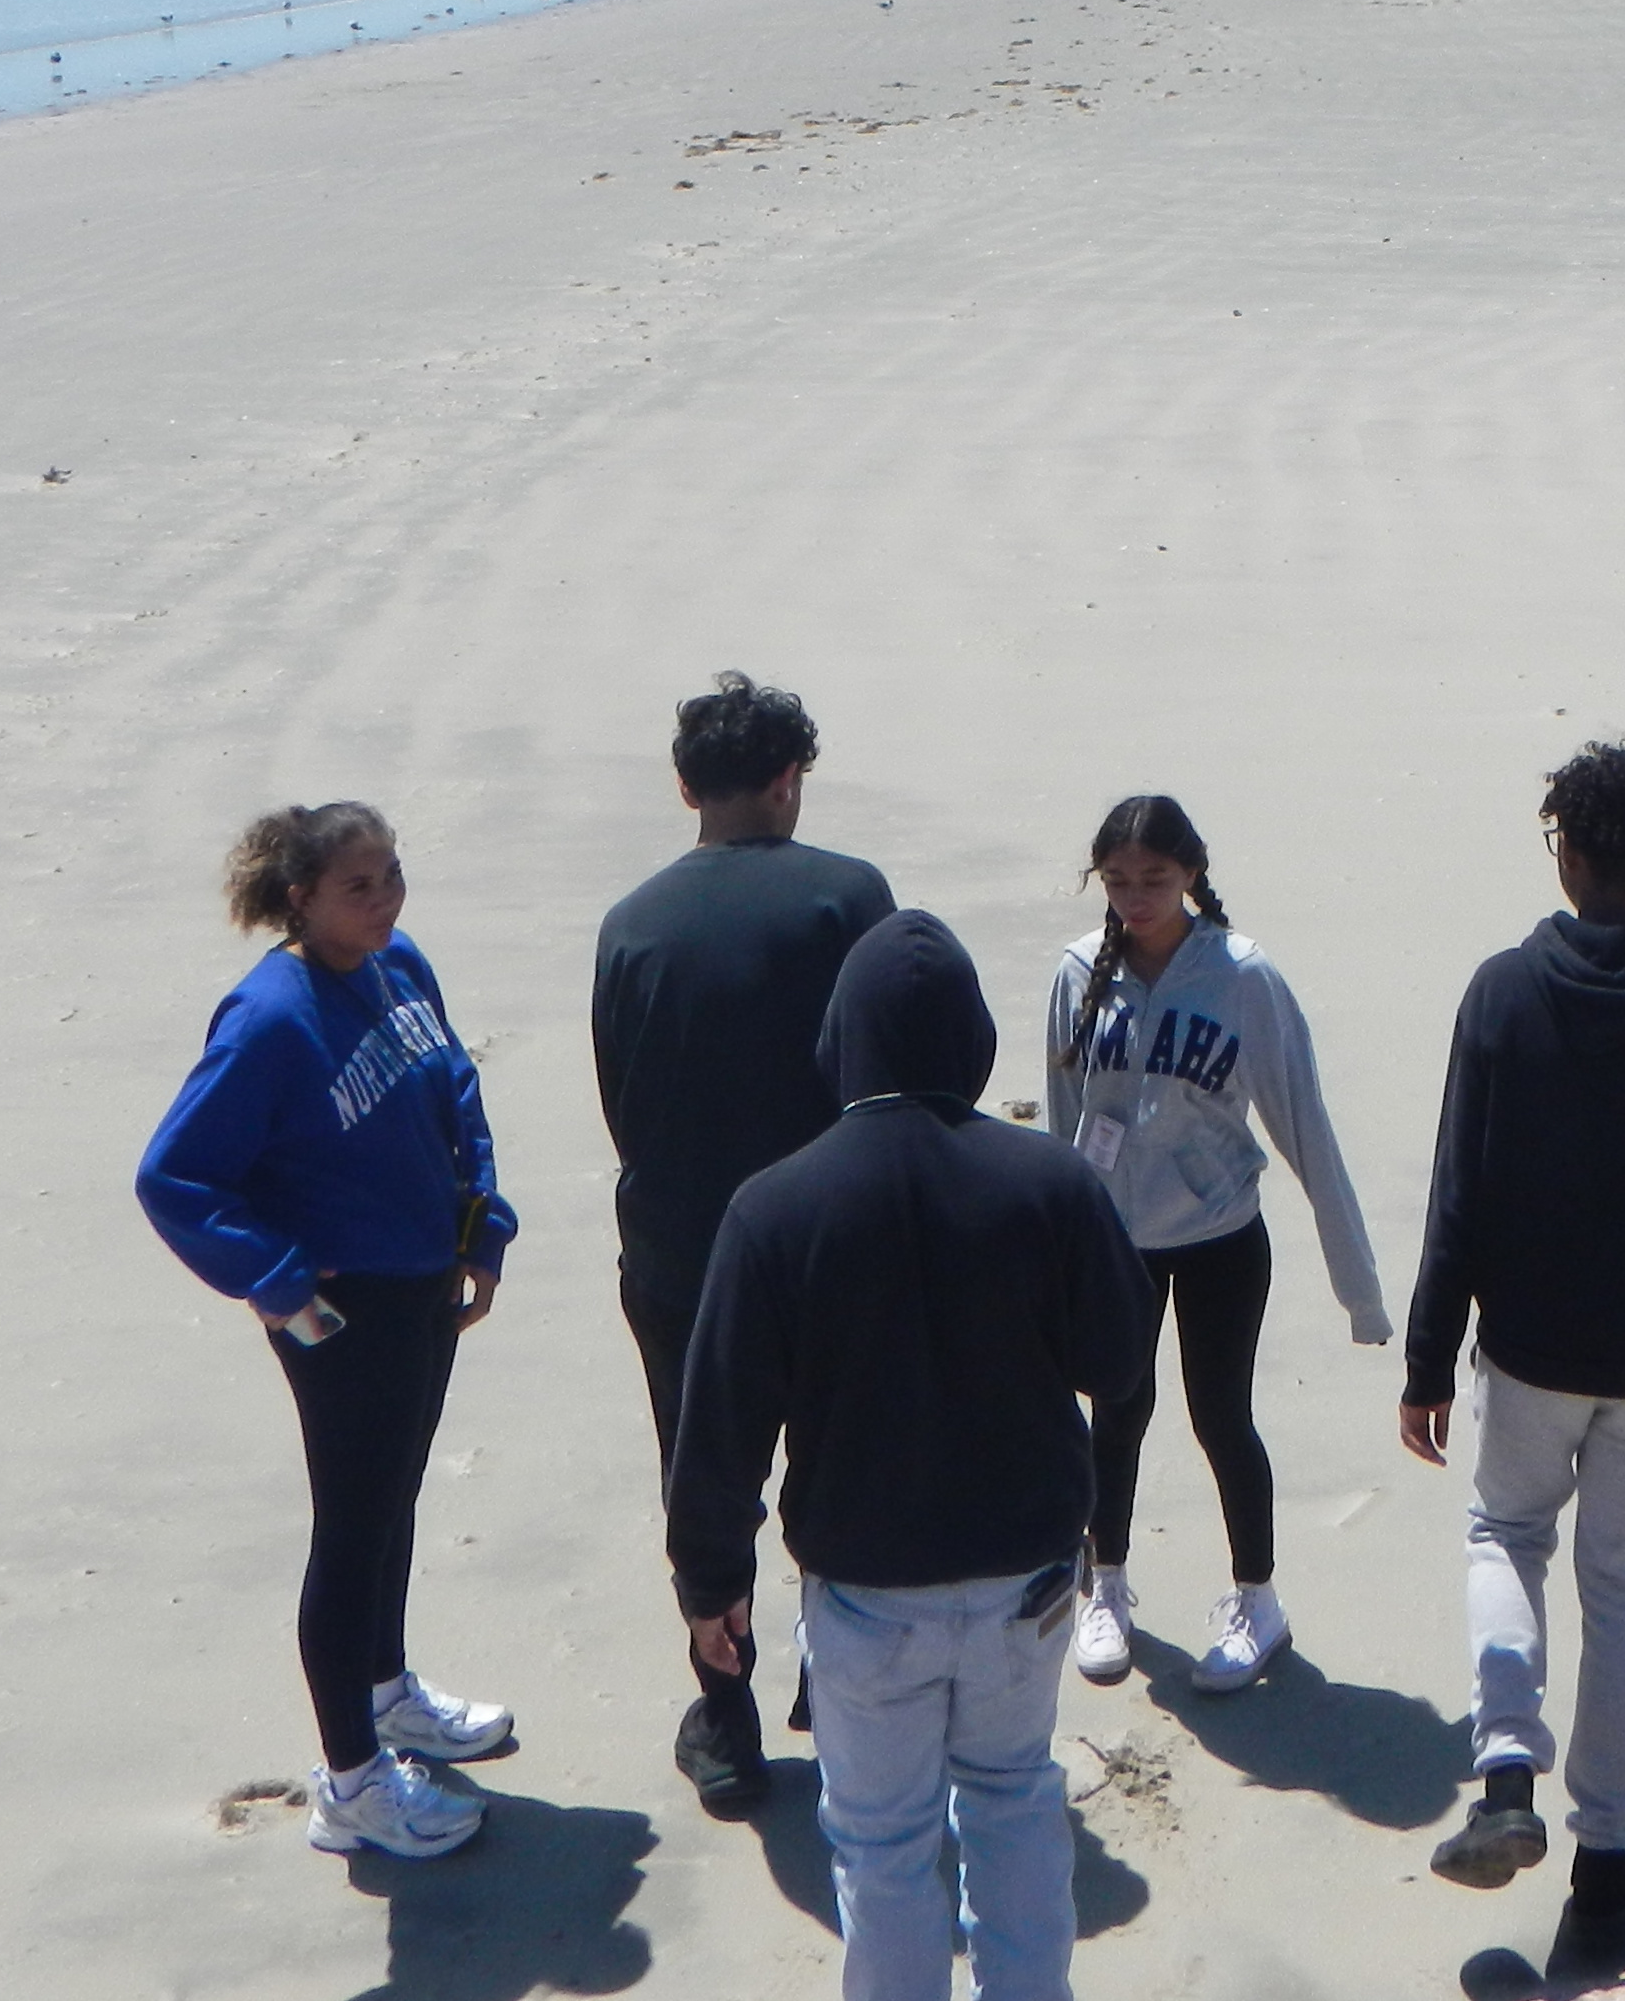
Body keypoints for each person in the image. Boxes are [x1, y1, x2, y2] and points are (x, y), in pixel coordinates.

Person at [669, 913, 1147, 2001]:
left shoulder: (773, 1207)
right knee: (1016, 1800)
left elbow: (720, 1432)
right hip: (1024, 1583)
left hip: (868, 1594)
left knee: (883, 1856)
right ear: (971, 1039)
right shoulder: (1051, 1184)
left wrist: (711, 1583)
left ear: (845, 1041)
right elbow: (1118, 1364)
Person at [1398, 741, 1625, 1977]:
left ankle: (1507, 1764)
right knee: (1624, 1586)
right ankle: (1608, 1852)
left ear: (1564, 850)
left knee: (1506, 1535)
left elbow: (1460, 1187)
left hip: (1529, 1347)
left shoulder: (1504, 993)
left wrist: (1428, 1356)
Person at [135, 801, 519, 1861]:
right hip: (342, 1317)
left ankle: (387, 1691)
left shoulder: (401, 968)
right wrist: (276, 1278)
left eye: (395, 872)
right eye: (362, 884)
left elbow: (457, 1096)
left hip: (424, 1286)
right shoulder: (267, 1019)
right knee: (351, 1531)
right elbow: (175, 1175)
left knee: (393, 1497)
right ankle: (352, 1782)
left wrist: (485, 1226)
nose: (387, 897)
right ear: (299, 897)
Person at [591, 671, 896, 1809]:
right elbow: (889, 1065)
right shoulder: (848, 897)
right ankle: (844, 1677)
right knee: (840, 1465)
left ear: (684, 789)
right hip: (828, 1248)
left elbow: (621, 1096)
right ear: (787, 780)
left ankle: (727, 1723)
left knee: (703, 1480)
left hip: (682, 1254)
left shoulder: (631, 924)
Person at [1041, 794, 1390, 1694]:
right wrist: (1048, 1260)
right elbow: (1062, 1131)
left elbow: (1304, 1125)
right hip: (1115, 1242)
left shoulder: (1244, 978)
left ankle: (1257, 1604)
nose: (1135, 898)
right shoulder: (1080, 972)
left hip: (1220, 1240)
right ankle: (1104, 1585)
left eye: (1155, 880)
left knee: (1220, 1418)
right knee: (1115, 1413)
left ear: (1192, 874)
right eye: (1117, 881)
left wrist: (1361, 1291)